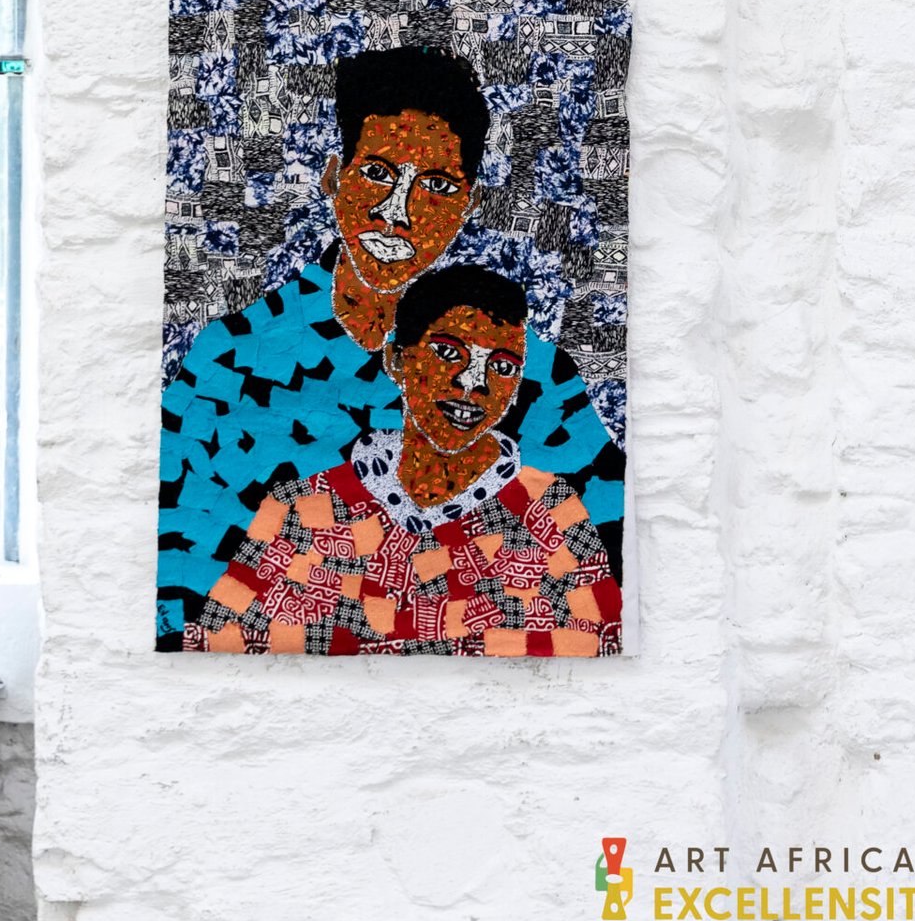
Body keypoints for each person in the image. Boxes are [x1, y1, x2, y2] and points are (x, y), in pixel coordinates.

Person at [158, 46, 622, 644]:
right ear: (334, 178)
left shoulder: (536, 381)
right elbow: (174, 586)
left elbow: (614, 562)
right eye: (377, 173)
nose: (396, 213)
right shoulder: (229, 364)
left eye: (437, 185)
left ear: (468, 206)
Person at [188, 263, 621, 656]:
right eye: (448, 352)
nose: (474, 383)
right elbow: (220, 638)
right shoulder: (303, 510)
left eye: (503, 367)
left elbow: (602, 640)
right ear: (397, 360)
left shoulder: (547, 511)